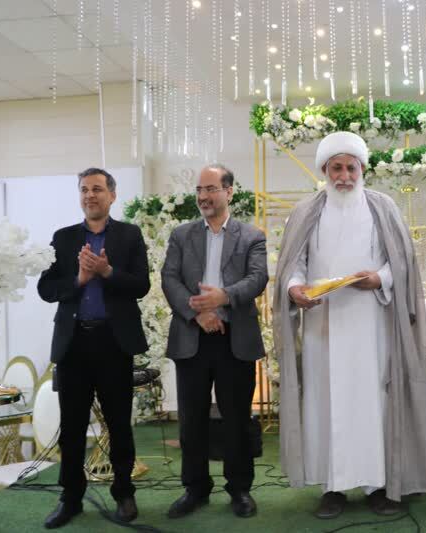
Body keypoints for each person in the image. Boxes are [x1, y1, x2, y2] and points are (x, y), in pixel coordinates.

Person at [273, 131, 426, 519]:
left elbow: (401, 262)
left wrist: (379, 278)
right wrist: (295, 288)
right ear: (324, 170)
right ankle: (332, 487)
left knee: (373, 403)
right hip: (322, 325)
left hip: (372, 323)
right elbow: (293, 264)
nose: (344, 176)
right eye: (336, 168)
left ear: (362, 169)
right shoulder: (306, 211)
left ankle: (378, 485)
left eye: (351, 168)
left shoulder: (382, 207)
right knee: (324, 403)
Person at [37, 168, 150, 528]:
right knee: (72, 427)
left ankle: (124, 493)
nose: (90, 195)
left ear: (112, 195)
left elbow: (141, 285)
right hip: (73, 344)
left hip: (114, 343)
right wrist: (79, 279)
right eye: (84, 189)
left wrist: (107, 272)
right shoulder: (63, 238)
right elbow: (46, 289)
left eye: (97, 189)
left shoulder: (129, 235)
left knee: (119, 425)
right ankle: (70, 498)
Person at [161, 164, 268, 519]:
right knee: (191, 419)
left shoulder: (251, 236)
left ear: (229, 192)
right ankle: (195, 489)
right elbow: (169, 279)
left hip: (234, 338)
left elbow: (258, 278)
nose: (203, 197)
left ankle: (240, 489)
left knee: (236, 418)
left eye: (210, 189)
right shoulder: (181, 235)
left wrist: (223, 297)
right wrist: (198, 314)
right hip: (192, 335)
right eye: (199, 190)